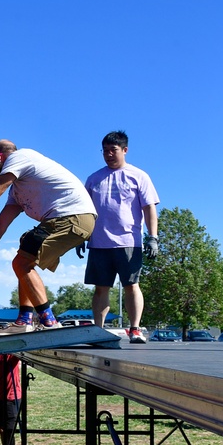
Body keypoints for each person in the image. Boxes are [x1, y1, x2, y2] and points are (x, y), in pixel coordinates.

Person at [0, 140, 97, 334]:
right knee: (25, 246)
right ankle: (24, 319)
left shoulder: (20, 157)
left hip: (71, 216)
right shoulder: (17, 190)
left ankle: (49, 322)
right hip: (67, 218)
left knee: (21, 263)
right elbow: (0, 225)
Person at [84, 131, 160, 344]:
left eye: (113, 150)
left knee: (132, 286)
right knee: (101, 289)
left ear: (125, 150)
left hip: (129, 242)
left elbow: (149, 209)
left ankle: (134, 330)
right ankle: (98, 333)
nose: (108, 154)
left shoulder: (139, 176)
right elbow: (84, 211)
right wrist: (80, 236)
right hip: (99, 242)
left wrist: (153, 238)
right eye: (105, 151)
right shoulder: (93, 179)